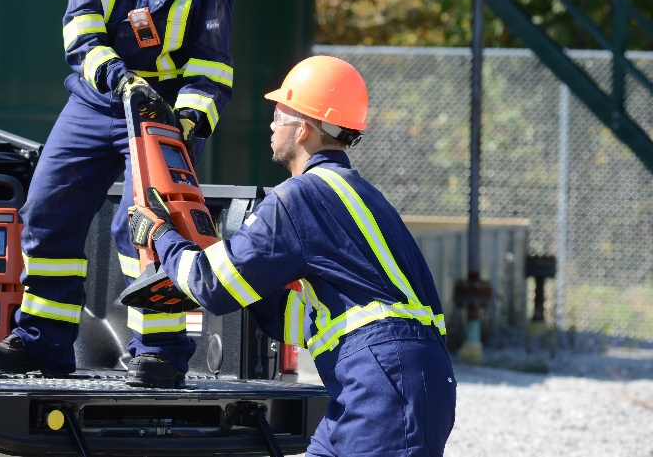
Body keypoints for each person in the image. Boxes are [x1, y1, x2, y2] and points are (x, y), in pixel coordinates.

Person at [0, 0, 234, 389]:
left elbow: (212, 69)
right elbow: (82, 38)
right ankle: (43, 343)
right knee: (46, 208)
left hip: (165, 114)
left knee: (147, 225)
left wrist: (184, 126)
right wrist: (122, 82)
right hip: (99, 102)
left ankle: (160, 353)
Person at [129, 55, 457, 455]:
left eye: (279, 114)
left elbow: (211, 286)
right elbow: (313, 319)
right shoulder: (358, 194)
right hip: (383, 381)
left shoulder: (300, 197)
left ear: (303, 129)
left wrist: (160, 234)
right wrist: (249, 281)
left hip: (386, 386)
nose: (271, 124)